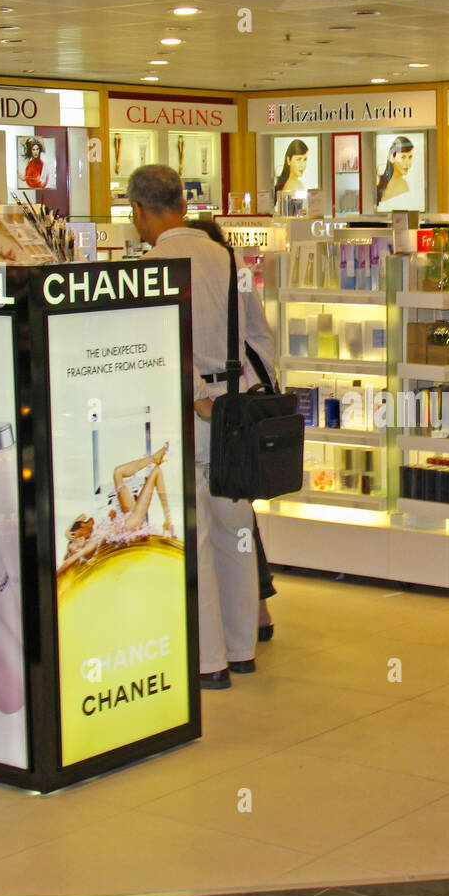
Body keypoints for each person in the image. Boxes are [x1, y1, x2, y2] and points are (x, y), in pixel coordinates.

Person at [127, 165, 277, 689]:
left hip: (185, 415)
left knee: (196, 539)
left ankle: (208, 661)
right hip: (235, 411)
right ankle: (240, 650)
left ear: (140, 211)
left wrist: (196, 395)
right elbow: (260, 335)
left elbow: (159, 348)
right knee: (235, 531)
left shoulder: (152, 266)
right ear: (184, 204)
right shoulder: (229, 258)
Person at [185, 218, 278, 644]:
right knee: (238, 517)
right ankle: (249, 624)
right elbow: (261, 337)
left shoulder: (195, 272)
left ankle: (227, 638)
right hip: (239, 409)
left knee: (218, 527)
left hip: (214, 414)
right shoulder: (231, 269)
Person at [57, 445, 175, 577]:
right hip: (132, 522)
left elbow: (80, 517)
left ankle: (154, 458)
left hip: (125, 514)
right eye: (74, 545)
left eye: (74, 540)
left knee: (118, 472)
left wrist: (67, 531)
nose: (75, 541)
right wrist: (55, 575)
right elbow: (69, 562)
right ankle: (169, 520)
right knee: (155, 472)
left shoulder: (87, 528)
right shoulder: (91, 544)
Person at [376, 135, 415, 208]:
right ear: (392, 157)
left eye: (410, 157)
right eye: (403, 157)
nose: (408, 163)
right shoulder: (403, 184)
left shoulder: (382, 181)